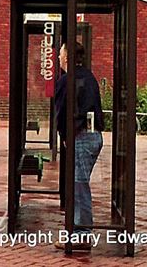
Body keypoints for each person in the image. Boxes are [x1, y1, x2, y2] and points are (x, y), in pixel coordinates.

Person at [53, 42, 103, 252]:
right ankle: (77, 231)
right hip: (93, 135)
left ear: (67, 57)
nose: (57, 58)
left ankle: (82, 235)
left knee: (78, 185)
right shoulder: (89, 76)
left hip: (81, 137)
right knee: (78, 184)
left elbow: (62, 111)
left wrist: (65, 135)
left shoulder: (67, 80)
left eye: (61, 53)